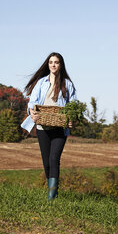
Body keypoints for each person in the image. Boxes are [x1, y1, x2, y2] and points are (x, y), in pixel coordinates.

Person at [21, 52, 77, 200]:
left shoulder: (68, 84)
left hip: (59, 128)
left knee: (54, 159)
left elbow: (73, 106)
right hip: (42, 128)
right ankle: (53, 191)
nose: (53, 65)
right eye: (51, 62)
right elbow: (32, 102)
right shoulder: (41, 83)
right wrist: (32, 113)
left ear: (60, 65)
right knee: (46, 162)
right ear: (48, 65)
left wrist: (72, 119)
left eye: (56, 62)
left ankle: (51, 197)